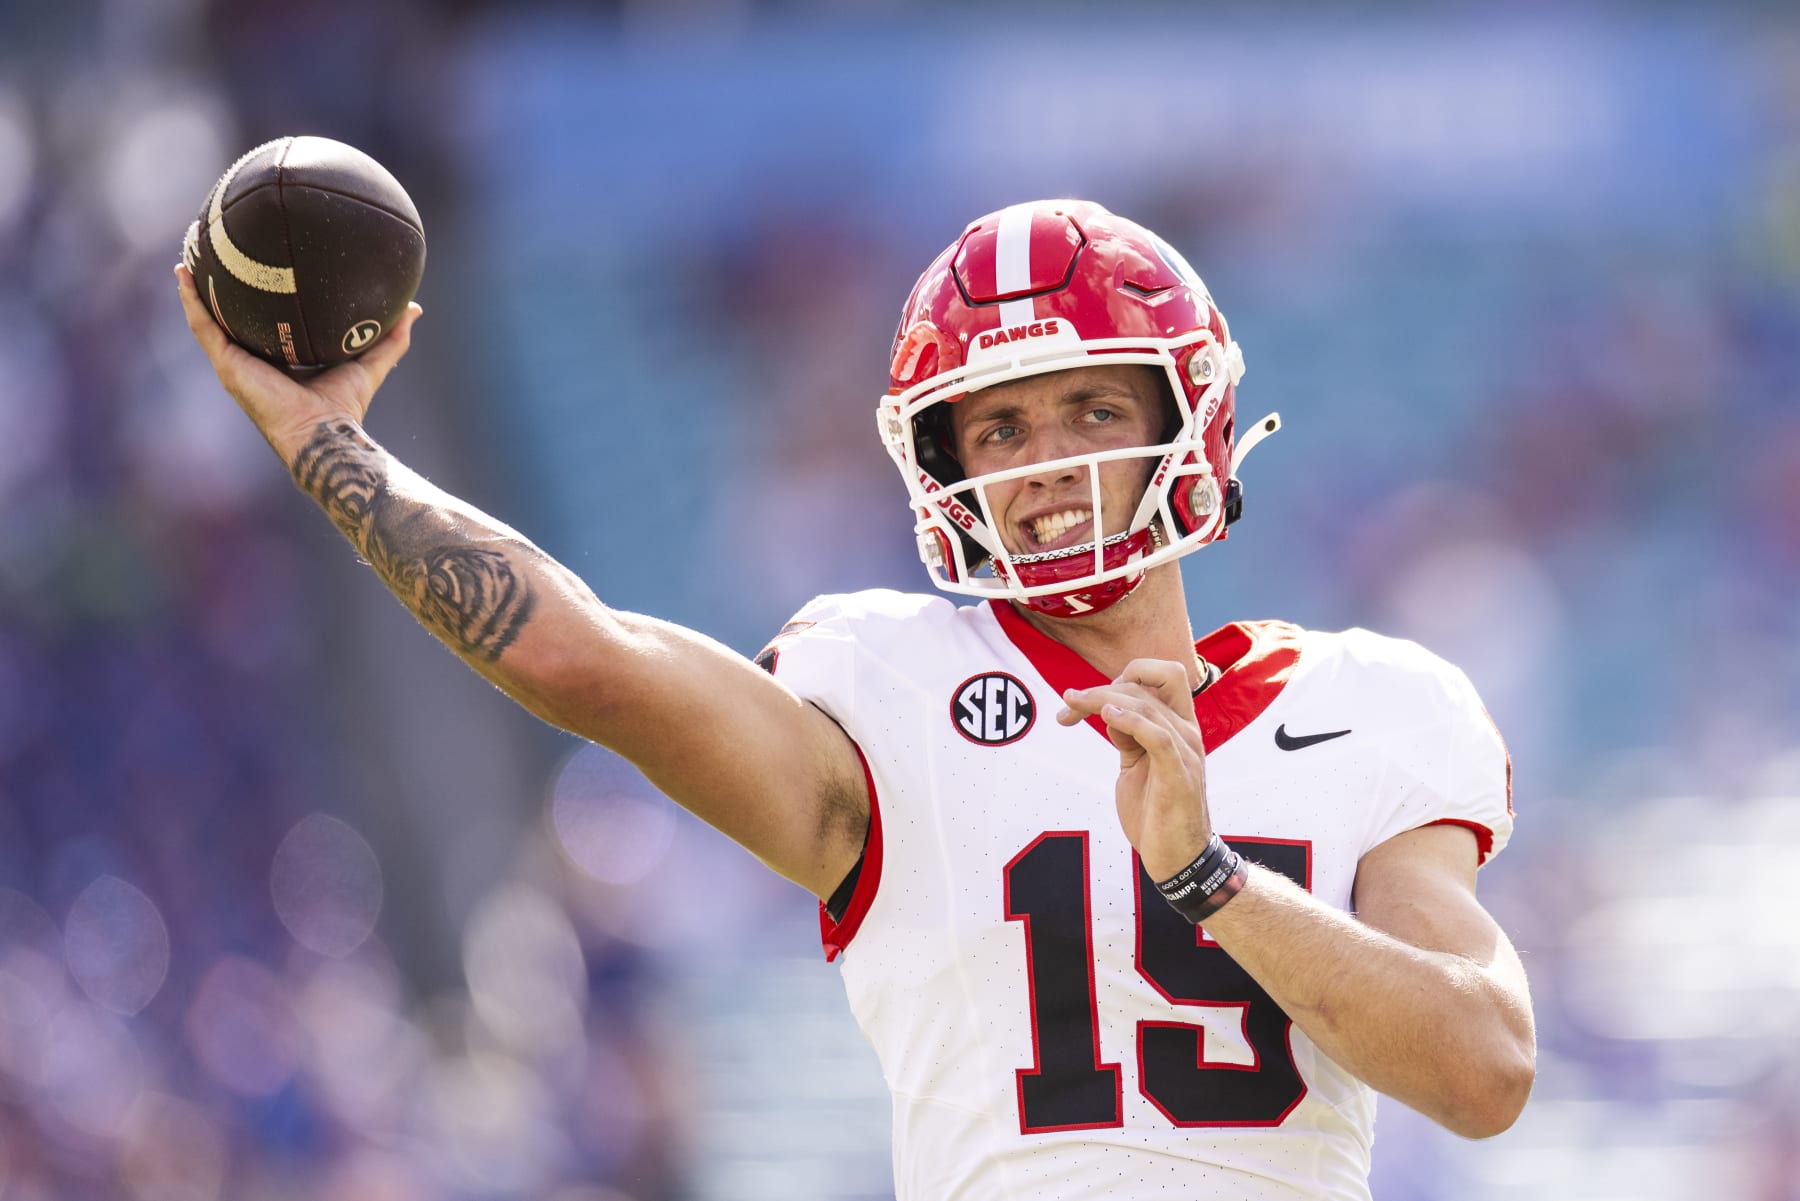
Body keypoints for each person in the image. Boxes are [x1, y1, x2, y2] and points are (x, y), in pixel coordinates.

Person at [177, 198, 1534, 1200]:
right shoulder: (888, 686)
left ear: (1192, 422)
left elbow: (1483, 1069)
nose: (1043, 463)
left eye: (1084, 408)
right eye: (997, 428)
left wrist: (1206, 876)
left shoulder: (1368, 703)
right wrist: (331, 452)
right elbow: (579, 657)